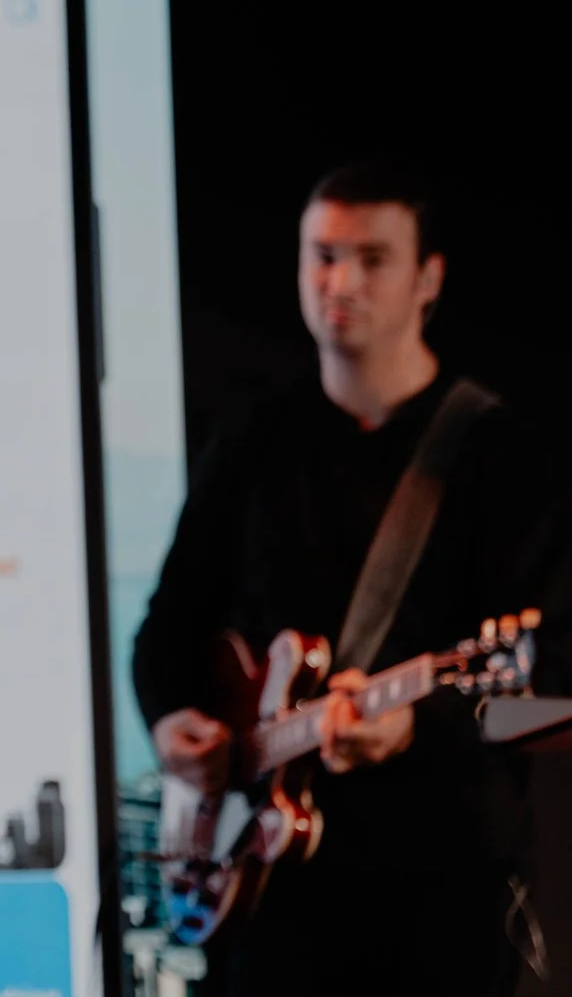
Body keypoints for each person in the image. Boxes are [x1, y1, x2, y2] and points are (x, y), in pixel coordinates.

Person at [133, 160, 567, 995]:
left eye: (372, 258)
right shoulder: (254, 441)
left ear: (428, 278)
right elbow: (164, 627)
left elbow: (554, 703)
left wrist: (420, 728)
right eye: (322, 254)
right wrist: (172, 721)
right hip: (270, 916)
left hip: (441, 916)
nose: (341, 281)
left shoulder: (505, 460)